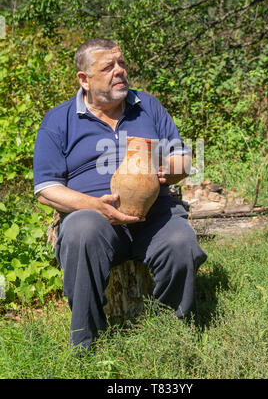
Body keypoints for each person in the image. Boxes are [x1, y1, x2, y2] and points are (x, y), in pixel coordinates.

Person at [33, 38, 207, 353]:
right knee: (82, 231)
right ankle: (86, 344)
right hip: (94, 219)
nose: (120, 72)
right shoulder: (58, 121)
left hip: (154, 216)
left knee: (181, 242)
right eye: (108, 67)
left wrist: (167, 169)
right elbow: (46, 188)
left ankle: (176, 334)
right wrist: (94, 206)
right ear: (84, 80)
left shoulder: (148, 106)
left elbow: (185, 159)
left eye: (122, 63)